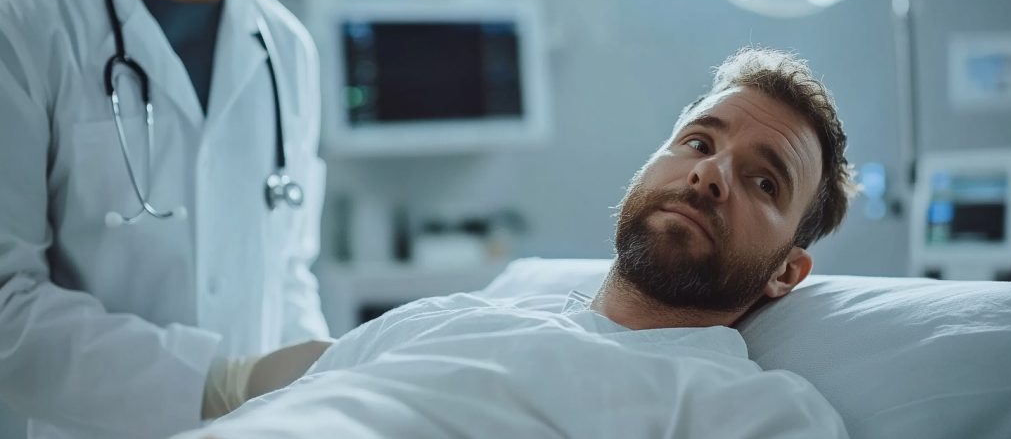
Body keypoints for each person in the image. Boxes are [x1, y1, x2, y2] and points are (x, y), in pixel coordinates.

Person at [173, 47, 859, 439]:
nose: (711, 174)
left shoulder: (752, 409)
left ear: (785, 274)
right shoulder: (448, 317)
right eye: (697, 143)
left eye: (764, 182)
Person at [0, 0, 354, 437]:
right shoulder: (23, 32)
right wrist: (217, 382)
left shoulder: (287, 52)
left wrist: (315, 395)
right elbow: (5, 310)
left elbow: (287, 273)